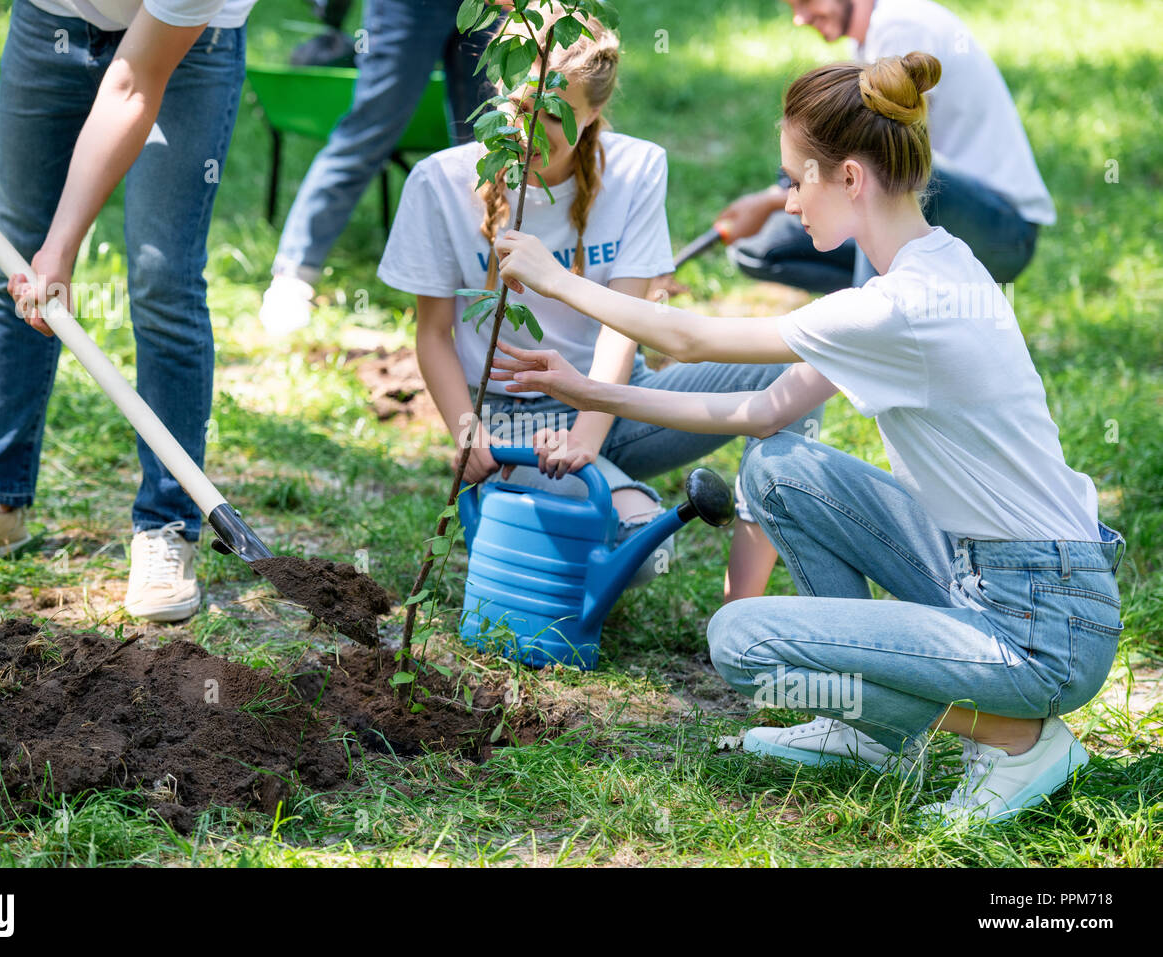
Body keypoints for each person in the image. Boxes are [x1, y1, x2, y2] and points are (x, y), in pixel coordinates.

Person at [488, 53, 1123, 826]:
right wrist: (588, 390)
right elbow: (763, 415)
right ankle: (868, 731)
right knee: (781, 468)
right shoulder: (935, 264)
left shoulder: (897, 308)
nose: (789, 202)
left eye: (797, 179)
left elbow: (687, 338)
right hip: (1007, 577)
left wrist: (554, 279)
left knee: (746, 643)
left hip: (1040, 626)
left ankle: (1017, 735)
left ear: (850, 178)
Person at [377, 12, 818, 596]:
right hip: (515, 419)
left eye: (556, 114)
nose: (530, 127)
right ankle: (559, 509)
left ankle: (743, 602)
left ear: (592, 117)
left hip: (613, 397)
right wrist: (468, 431)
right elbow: (433, 334)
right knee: (626, 549)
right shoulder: (440, 181)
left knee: (799, 371)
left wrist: (585, 439)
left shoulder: (636, 167)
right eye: (519, 105)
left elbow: (622, 327)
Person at [0, 0, 254, 622]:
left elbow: (131, 84)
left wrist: (63, 246)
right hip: (49, 23)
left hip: (189, 48)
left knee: (163, 279)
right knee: (14, 266)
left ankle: (168, 524)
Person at [722, 0, 1055, 292]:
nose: (799, 17)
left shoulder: (901, 26)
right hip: (929, 213)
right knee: (757, 248)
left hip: (1003, 230)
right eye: (792, 7)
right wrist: (769, 202)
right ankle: (890, 310)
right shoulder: (869, 41)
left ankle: (868, 329)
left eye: (807, 1)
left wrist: (770, 202)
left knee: (877, 173)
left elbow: (884, 165)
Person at [257, 0, 500, 336]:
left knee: (487, 143)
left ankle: (488, 277)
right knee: (369, 131)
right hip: (410, 7)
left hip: (487, 5)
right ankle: (294, 276)